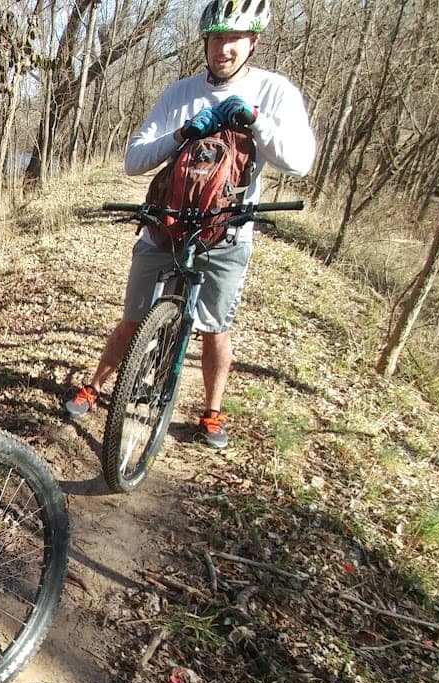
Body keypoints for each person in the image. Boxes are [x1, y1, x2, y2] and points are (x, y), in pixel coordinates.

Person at [64, 0, 315, 450]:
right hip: (166, 224)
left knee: (216, 326)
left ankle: (211, 412)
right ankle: (96, 385)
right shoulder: (180, 94)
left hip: (227, 230)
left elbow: (299, 162)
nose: (223, 49)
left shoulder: (275, 92)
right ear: (205, 41)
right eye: (216, 38)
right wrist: (181, 135)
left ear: (252, 42)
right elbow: (134, 160)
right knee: (134, 319)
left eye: (233, 39)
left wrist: (256, 122)